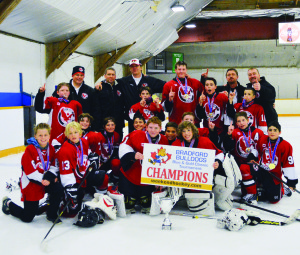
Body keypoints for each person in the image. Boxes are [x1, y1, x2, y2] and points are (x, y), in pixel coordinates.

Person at [2, 123, 63, 223]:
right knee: (28, 217)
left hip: (44, 181)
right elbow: (31, 174)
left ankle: (51, 214)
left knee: (58, 189)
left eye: (45, 135)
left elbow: (54, 165)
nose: (43, 138)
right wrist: (46, 179)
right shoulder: (30, 150)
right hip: (31, 185)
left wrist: (50, 177)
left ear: (49, 136)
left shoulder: (51, 149)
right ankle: (8, 203)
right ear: (35, 136)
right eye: (40, 135)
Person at [172, 121, 229, 213]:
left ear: (193, 131)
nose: (186, 133)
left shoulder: (204, 141)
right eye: (183, 131)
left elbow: (219, 154)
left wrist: (217, 162)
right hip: (185, 179)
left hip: (202, 178)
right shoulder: (176, 143)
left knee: (201, 197)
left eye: (188, 130)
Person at [118, 116, 169, 214]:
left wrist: (161, 180)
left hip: (148, 177)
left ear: (160, 129)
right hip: (133, 173)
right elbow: (124, 147)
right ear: (146, 127)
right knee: (129, 203)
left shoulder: (164, 140)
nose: (153, 130)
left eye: (155, 128)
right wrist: (133, 155)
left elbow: (165, 163)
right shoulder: (136, 134)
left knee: (146, 203)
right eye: (150, 127)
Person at [57, 122, 109, 217]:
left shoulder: (83, 141)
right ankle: (61, 201)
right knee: (71, 213)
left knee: (104, 177)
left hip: (85, 174)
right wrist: (70, 187)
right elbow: (65, 172)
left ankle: (102, 198)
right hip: (74, 180)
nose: (73, 135)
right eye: (70, 133)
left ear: (80, 133)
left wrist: (92, 157)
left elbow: (86, 153)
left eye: (76, 132)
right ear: (66, 135)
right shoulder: (65, 150)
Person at [249, 121, 297, 204]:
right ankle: (255, 189)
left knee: (273, 200)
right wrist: (252, 156)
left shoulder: (285, 145)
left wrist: (291, 181)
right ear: (267, 131)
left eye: (275, 130)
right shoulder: (263, 139)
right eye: (270, 130)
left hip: (274, 175)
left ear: (279, 132)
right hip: (261, 169)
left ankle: (282, 188)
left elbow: (288, 164)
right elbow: (257, 150)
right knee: (261, 196)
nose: (272, 132)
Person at [223, 112, 265, 204]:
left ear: (248, 120)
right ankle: (251, 190)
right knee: (243, 192)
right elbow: (228, 147)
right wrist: (229, 135)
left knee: (245, 169)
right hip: (240, 162)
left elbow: (261, 148)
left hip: (254, 162)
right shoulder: (234, 132)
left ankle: (253, 193)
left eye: (243, 120)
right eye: (239, 121)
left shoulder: (257, 132)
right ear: (236, 123)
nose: (241, 123)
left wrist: (255, 156)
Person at [118, 59, 166, 132]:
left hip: (148, 119)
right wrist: (101, 83)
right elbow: (111, 82)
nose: (134, 68)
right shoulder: (124, 81)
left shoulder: (149, 80)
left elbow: (166, 85)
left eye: (136, 66)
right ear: (130, 69)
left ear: (141, 67)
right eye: (132, 66)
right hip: (134, 120)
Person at [162, 61, 204, 125]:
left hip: (193, 121)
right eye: (179, 69)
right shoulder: (168, 85)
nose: (181, 71)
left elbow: (207, 90)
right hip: (175, 121)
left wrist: (204, 79)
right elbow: (164, 107)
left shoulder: (194, 82)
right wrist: (169, 100)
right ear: (175, 70)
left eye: (183, 69)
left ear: (186, 70)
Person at [196, 77, 228, 148]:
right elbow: (200, 116)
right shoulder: (202, 98)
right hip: (207, 129)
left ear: (215, 87)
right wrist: (200, 105)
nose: (209, 86)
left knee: (218, 148)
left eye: (211, 84)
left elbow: (228, 111)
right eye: (207, 85)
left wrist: (229, 99)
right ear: (205, 87)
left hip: (220, 129)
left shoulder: (222, 96)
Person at [93, 67, 125, 138]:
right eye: (109, 74)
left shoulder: (121, 85)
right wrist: (97, 125)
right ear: (105, 76)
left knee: (117, 144)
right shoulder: (99, 88)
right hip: (104, 123)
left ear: (115, 76)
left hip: (118, 123)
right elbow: (96, 107)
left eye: (113, 74)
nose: (111, 76)